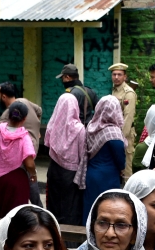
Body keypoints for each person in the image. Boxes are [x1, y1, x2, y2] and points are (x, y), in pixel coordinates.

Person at [78, 95, 126, 225]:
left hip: (92, 175)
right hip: (108, 178)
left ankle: (86, 239)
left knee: (90, 211)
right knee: (108, 212)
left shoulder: (91, 127)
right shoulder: (113, 133)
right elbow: (121, 161)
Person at [43, 93, 85, 226]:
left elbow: (47, 144)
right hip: (71, 175)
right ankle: (69, 244)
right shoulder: (79, 129)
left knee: (54, 206)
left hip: (54, 169)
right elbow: (83, 155)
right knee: (70, 209)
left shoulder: (52, 125)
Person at [0, 102, 37, 217]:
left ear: (8, 115)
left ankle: (2, 234)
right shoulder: (23, 136)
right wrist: (33, 174)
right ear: (24, 119)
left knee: (2, 212)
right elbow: (29, 164)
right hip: (17, 180)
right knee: (17, 216)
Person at [110, 63, 137, 178]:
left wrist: (121, 139)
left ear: (125, 77)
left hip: (124, 135)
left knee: (127, 169)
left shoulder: (128, 93)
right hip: (116, 133)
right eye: (114, 74)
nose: (116, 77)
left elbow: (128, 118)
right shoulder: (115, 90)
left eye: (119, 75)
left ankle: (129, 193)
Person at [0, 81, 42, 152]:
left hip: (23, 151)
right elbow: (39, 110)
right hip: (34, 147)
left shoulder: (7, 114)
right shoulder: (24, 101)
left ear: (3, 97)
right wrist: (37, 130)